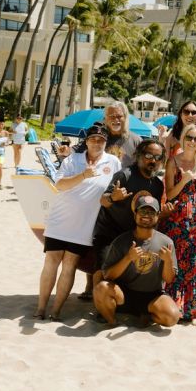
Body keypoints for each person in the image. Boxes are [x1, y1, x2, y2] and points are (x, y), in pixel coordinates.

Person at [35, 123, 120, 320]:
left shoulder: (112, 162)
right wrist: (83, 175)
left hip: (84, 225)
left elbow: (116, 186)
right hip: (59, 220)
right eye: (93, 139)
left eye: (101, 140)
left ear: (105, 143)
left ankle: (56, 311)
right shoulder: (73, 160)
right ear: (87, 141)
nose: (97, 143)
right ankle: (40, 308)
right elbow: (60, 184)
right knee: (51, 262)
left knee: (69, 266)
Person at [93, 194, 180, 328]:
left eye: (151, 212)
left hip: (152, 296)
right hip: (124, 294)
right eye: (142, 211)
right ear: (135, 215)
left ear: (157, 216)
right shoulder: (121, 241)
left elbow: (168, 279)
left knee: (172, 317)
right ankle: (112, 321)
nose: (146, 215)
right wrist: (128, 258)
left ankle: (146, 315)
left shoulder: (166, 243)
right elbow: (108, 276)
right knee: (101, 289)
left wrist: (168, 261)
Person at [160, 123, 196, 324]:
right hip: (177, 218)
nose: (192, 141)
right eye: (189, 137)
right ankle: (176, 307)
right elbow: (170, 194)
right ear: (183, 139)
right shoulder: (173, 162)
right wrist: (184, 180)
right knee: (177, 261)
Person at [93, 139, 166, 276]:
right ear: (139, 155)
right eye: (149, 156)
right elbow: (103, 200)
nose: (153, 161)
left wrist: (163, 214)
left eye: (158, 157)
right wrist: (113, 197)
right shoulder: (125, 175)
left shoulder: (157, 184)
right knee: (103, 273)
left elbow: (151, 214)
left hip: (132, 237)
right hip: (109, 235)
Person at [102, 101, 141, 168]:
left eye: (119, 116)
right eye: (111, 116)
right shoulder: (98, 138)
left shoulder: (136, 140)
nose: (116, 119)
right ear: (106, 118)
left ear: (125, 117)